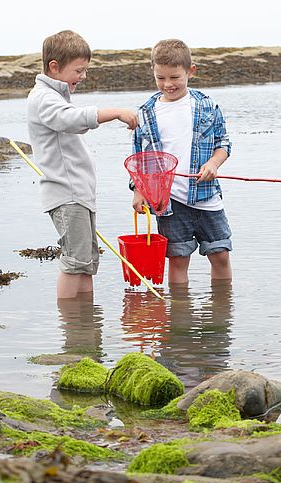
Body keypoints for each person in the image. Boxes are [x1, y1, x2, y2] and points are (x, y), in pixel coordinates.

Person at [27, 29, 138, 299]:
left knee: (87, 263)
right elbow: (72, 120)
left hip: (79, 195)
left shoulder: (57, 96)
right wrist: (117, 113)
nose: (83, 76)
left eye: (85, 70)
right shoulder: (44, 98)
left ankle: (87, 324)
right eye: (79, 70)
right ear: (54, 67)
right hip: (66, 194)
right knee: (75, 262)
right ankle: (73, 331)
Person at [132, 39, 233, 284]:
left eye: (175, 77)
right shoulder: (146, 113)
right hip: (169, 201)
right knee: (177, 260)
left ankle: (220, 315)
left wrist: (213, 165)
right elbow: (139, 158)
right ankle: (179, 319)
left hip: (206, 196)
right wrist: (138, 191)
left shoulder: (207, 106)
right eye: (161, 78)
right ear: (153, 73)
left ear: (191, 71)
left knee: (220, 254)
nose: (168, 84)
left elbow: (224, 144)